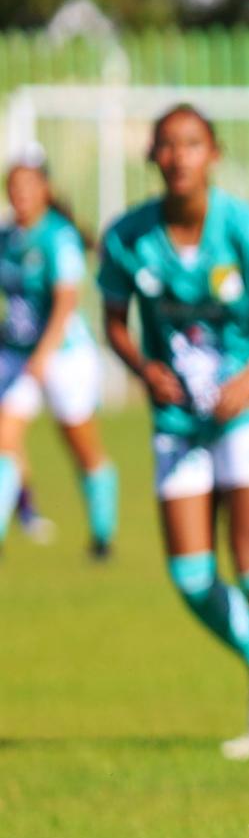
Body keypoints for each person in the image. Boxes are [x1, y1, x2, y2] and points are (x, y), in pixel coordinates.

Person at [98, 104, 249, 758]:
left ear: (213, 154)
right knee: (193, 577)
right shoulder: (127, 237)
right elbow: (114, 320)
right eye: (167, 145)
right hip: (179, 421)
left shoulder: (244, 228)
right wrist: (142, 366)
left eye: (192, 144)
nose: (179, 156)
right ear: (152, 156)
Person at [0, 148, 119, 560]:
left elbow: (66, 300)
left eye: (29, 186)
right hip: (18, 355)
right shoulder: (6, 239)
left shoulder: (58, 237)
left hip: (63, 356)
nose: (21, 195)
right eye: (14, 187)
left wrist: (43, 354)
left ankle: (102, 535)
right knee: (4, 439)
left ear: (45, 190)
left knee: (81, 444)